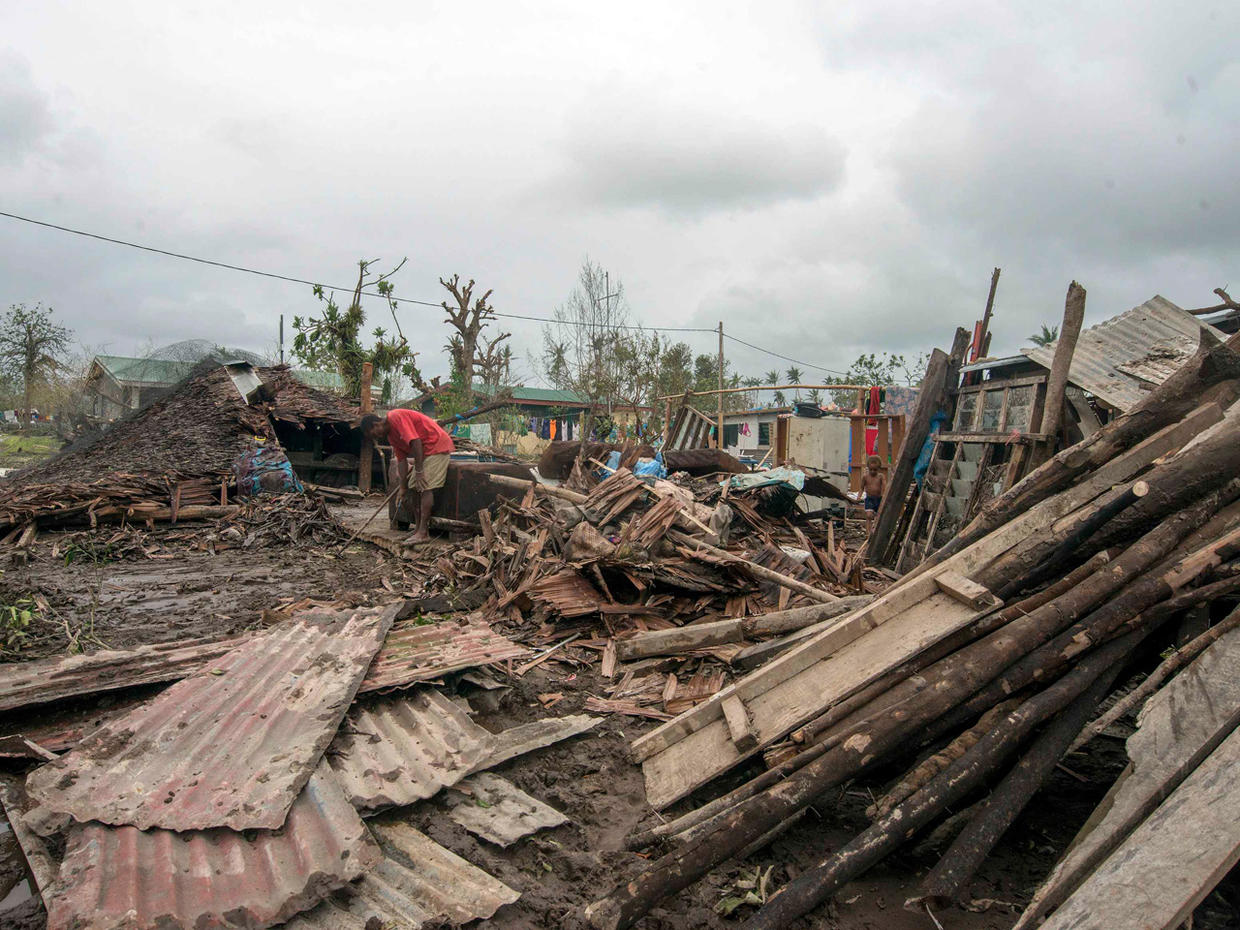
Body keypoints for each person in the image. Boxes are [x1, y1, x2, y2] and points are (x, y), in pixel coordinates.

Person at [360, 410, 455, 544]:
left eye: (373, 434)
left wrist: (420, 471)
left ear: (376, 425)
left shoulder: (395, 417)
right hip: (425, 452)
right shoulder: (391, 437)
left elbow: (415, 442)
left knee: (424, 486)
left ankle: (423, 532)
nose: (375, 437)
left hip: (436, 446)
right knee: (412, 488)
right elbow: (401, 461)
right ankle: (417, 529)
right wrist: (403, 487)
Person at [861, 454, 885, 535]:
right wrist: (858, 498)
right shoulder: (865, 477)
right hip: (869, 498)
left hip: (879, 498)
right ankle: (868, 533)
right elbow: (861, 488)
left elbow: (883, 487)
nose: (872, 471)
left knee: (879, 516)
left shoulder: (880, 477)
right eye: (870, 469)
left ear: (878, 468)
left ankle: (876, 533)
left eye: (875, 470)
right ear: (868, 468)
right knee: (869, 516)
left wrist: (883, 497)